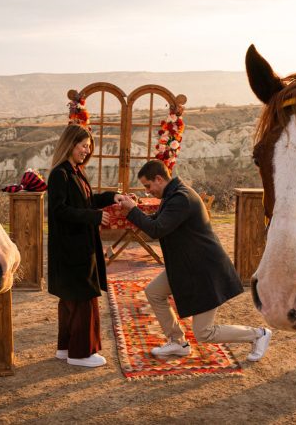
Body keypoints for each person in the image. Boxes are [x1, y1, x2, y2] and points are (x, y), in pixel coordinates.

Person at [115, 160, 272, 361]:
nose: (148, 191)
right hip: (187, 267)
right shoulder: (173, 194)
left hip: (205, 270)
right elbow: (159, 220)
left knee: (204, 332)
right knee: (154, 292)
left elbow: (156, 230)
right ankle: (177, 342)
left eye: (148, 186)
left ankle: (258, 334)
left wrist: (132, 211)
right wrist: (135, 208)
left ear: (159, 179)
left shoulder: (182, 198)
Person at [47, 124, 118, 368]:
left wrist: (111, 197)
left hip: (77, 245)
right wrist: (95, 217)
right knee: (83, 298)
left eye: (89, 147)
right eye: (83, 146)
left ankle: (65, 349)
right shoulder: (60, 174)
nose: (87, 151)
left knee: (70, 300)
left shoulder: (75, 171)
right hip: (72, 247)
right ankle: (81, 354)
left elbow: (88, 200)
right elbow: (59, 210)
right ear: (70, 144)